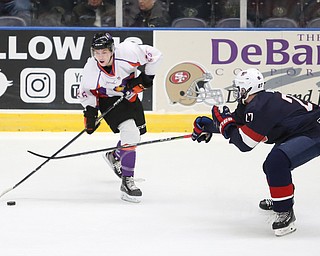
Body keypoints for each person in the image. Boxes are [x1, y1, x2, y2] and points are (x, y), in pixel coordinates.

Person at [191, 68, 320, 236]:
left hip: (314, 131)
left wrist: (225, 124)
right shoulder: (252, 103)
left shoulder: (260, 107)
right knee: (273, 165)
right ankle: (282, 199)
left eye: (238, 88)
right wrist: (208, 126)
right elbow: (237, 124)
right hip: (297, 131)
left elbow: (245, 144)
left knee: (276, 163)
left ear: (246, 89)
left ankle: (285, 211)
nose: (236, 92)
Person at [78, 32, 162, 203]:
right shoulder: (90, 70)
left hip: (129, 96)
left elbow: (156, 55)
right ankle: (127, 181)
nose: (100, 56)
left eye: (104, 52)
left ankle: (115, 155)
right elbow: (86, 93)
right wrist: (90, 112)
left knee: (135, 136)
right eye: (97, 52)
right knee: (130, 134)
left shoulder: (128, 52)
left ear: (112, 50)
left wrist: (146, 78)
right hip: (107, 100)